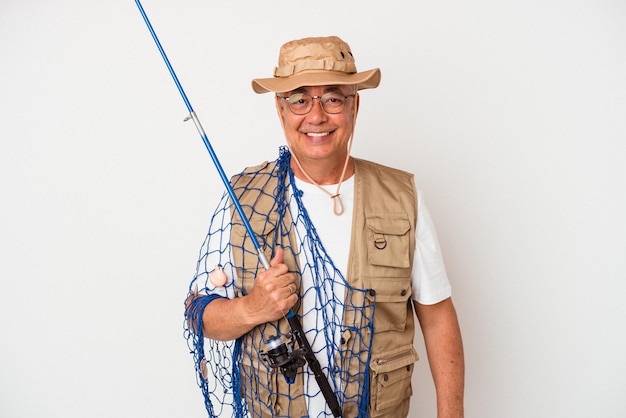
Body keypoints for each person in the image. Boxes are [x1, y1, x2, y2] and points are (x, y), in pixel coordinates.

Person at [185, 35, 464, 418]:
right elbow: (197, 313)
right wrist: (254, 307)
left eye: (332, 98)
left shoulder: (403, 196)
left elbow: (437, 316)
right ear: (280, 110)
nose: (316, 116)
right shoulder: (244, 198)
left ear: (355, 106)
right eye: (299, 99)